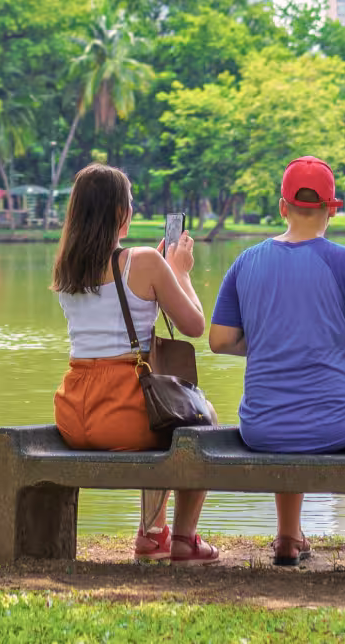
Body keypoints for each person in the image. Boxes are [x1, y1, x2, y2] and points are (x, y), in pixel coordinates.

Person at [208, 157, 345, 568]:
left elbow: (219, 340)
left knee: (289, 402)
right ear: (332, 210)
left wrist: (270, 342)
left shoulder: (246, 261)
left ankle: (289, 537)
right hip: (335, 424)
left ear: (282, 207)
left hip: (261, 427)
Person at [49, 163, 220, 564]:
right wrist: (180, 273)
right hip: (124, 410)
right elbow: (194, 325)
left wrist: (164, 273)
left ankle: (152, 533)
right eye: (129, 204)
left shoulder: (66, 268)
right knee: (197, 417)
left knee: (160, 411)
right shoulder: (144, 261)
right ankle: (183, 538)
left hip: (74, 412)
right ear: (120, 214)